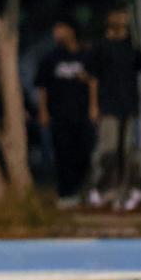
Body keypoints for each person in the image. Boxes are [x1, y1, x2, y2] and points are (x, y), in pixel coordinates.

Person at [84, 6, 141, 210]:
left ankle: (123, 191)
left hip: (128, 105)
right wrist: (93, 105)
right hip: (108, 104)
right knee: (107, 150)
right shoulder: (101, 46)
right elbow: (93, 77)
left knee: (126, 151)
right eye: (118, 15)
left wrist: (135, 42)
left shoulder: (131, 45)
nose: (122, 19)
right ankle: (100, 188)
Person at [35, 18, 93, 208]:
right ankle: (66, 193)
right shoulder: (50, 58)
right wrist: (43, 111)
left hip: (82, 113)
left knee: (83, 153)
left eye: (60, 28)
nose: (56, 33)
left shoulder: (85, 56)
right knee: (63, 154)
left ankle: (81, 189)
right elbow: (42, 86)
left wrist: (94, 106)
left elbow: (95, 81)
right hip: (59, 114)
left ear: (71, 30)